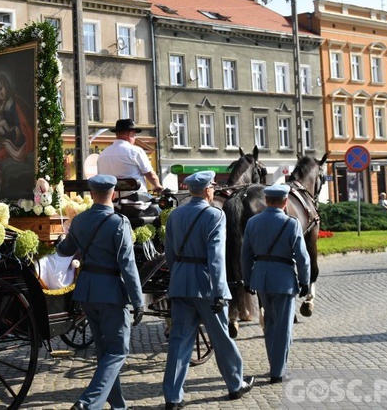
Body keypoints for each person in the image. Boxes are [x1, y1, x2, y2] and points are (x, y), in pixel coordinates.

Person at [162, 171, 254, 408]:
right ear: (206, 190)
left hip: (181, 284)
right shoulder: (215, 215)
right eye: (213, 186)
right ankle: (235, 385)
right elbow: (216, 257)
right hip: (207, 287)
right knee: (222, 338)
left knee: (179, 342)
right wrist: (220, 291)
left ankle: (173, 397)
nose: (214, 189)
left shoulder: (175, 214)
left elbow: (170, 255)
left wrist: (179, 276)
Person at [56, 174, 144, 410]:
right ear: (113, 194)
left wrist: (61, 239)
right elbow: (128, 265)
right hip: (111, 293)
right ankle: (88, 403)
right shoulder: (119, 222)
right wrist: (138, 301)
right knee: (118, 351)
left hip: (86, 291)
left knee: (105, 351)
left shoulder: (80, 220)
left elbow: (64, 250)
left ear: (92, 194)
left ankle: (117, 404)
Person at [242, 184, 310, 384]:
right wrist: (305, 281)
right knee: (284, 327)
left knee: (270, 325)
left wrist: (247, 280)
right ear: (285, 201)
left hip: (261, 278)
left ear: (266, 200)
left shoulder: (253, 222)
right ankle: (278, 372)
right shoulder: (291, 223)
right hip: (284, 280)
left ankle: (275, 363)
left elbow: (245, 254)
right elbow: (302, 257)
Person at [97, 119, 163, 195]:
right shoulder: (136, 151)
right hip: (136, 200)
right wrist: (157, 185)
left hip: (112, 200)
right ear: (130, 134)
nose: (135, 138)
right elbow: (150, 174)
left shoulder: (103, 154)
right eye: (134, 135)